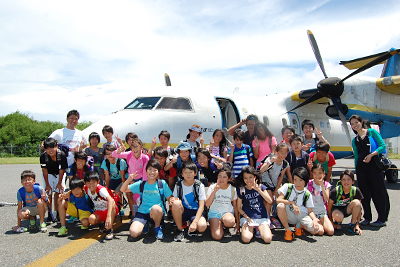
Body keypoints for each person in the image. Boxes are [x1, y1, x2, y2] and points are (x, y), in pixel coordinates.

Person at [350, 114, 390, 227]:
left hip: (374, 166)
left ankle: (382, 218)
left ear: (361, 122)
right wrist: (356, 170)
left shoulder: (372, 133)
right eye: (352, 124)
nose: (355, 125)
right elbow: (357, 157)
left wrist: (371, 155)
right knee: (364, 193)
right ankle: (367, 217)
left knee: (378, 191)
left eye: (356, 122)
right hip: (362, 168)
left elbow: (382, 146)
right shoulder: (355, 140)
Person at [121, 159, 173, 240]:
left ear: (158, 172)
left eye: (155, 170)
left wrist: (172, 201)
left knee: (155, 208)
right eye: (150, 169)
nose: (152, 172)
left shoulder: (162, 183)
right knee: (133, 233)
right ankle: (146, 224)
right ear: (146, 171)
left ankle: (157, 227)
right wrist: (129, 180)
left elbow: (169, 198)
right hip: (143, 212)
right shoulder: (141, 184)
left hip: (157, 213)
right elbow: (123, 189)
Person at [277, 167, 320, 241]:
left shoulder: (307, 193)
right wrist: (292, 203)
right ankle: (288, 229)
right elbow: (278, 200)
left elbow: (310, 211)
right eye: (295, 180)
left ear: (305, 181)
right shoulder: (288, 187)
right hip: (289, 214)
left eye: (300, 180)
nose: (298, 183)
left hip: (302, 214)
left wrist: (315, 220)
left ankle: (299, 225)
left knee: (315, 230)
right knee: (280, 206)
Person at [170, 162, 207, 242]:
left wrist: (195, 222)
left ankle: (191, 222)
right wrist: (171, 201)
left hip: (195, 211)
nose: (188, 174)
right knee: (176, 203)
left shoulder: (199, 185)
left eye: (190, 172)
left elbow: (201, 206)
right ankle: (180, 230)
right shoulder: (178, 185)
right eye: (185, 172)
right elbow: (174, 201)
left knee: (202, 227)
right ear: (182, 174)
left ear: (195, 173)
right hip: (183, 210)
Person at [112, 138, 149, 215]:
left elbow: (145, 173)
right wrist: (117, 151)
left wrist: (142, 184)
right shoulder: (129, 154)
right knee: (129, 195)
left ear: (141, 147)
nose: (135, 149)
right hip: (130, 179)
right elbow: (114, 155)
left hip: (141, 180)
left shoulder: (145, 158)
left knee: (138, 198)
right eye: (133, 147)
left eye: (137, 146)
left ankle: (141, 214)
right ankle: (134, 214)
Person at [236, 166, 273, 243]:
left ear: (255, 177)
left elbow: (270, 201)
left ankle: (257, 228)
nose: (248, 180)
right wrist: (247, 217)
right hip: (248, 217)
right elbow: (239, 207)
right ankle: (252, 229)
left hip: (261, 216)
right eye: (245, 178)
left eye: (250, 177)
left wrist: (259, 190)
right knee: (246, 239)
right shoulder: (241, 189)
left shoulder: (261, 186)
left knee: (267, 239)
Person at [258, 142, 291, 228]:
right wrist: (269, 162)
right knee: (270, 200)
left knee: (269, 202)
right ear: (276, 152)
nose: (283, 155)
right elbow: (261, 170)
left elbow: (281, 177)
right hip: (264, 182)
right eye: (281, 152)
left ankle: (266, 218)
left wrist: (276, 189)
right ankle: (267, 220)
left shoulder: (285, 164)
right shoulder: (270, 158)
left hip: (274, 185)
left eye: (285, 153)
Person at [206, 166, 238, 240]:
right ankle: (218, 225)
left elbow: (236, 207)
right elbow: (207, 204)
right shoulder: (212, 187)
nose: (221, 179)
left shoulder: (232, 189)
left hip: (227, 212)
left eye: (224, 177)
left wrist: (238, 223)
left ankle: (225, 226)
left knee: (229, 221)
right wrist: (214, 192)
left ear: (229, 179)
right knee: (217, 236)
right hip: (214, 212)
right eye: (220, 176)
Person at [327, 170, 364, 235]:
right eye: (343, 179)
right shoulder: (336, 191)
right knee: (339, 217)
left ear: (353, 181)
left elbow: (359, 209)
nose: (346, 182)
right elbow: (329, 207)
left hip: (347, 209)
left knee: (357, 203)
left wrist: (357, 224)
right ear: (341, 181)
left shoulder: (356, 190)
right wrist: (331, 222)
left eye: (348, 179)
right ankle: (337, 222)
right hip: (337, 210)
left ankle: (352, 225)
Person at [84, 171, 118, 240]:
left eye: (93, 182)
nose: (91, 185)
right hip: (99, 211)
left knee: (112, 204)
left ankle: (109, 230)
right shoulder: (86, 188)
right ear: (85, 183)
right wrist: (67, 193)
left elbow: (111, 200)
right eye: (88, 183)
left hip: (110, 210)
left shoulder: (101, 190)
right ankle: (102, 223)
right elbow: (76, 187)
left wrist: (108, 217)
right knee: (91, 219)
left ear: (98, 182)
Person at [40, 137, 68, 221]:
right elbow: (44, 171)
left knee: (58, 192)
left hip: (59, 174)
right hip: (48, 174)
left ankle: (57, 212)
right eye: (48, 149)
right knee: (49, 192)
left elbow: (62, 170)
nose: (50, 150)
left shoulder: (61, 155)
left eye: (52, 148)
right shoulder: (43, 156)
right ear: (45, 149)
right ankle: (50, 213)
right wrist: (47, 184)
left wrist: (59, 183)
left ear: (56, 146)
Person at [307, 164, 334, 236]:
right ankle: (310, 224)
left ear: (323, 174)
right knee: (320, 231)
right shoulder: (309, 183)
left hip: (322, 212)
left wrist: (322, 185)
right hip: (311, 212)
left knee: (331, 231)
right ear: (312, 173)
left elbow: (326, 199)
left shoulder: (326, 184)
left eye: (319, 173)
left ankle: (320, 223)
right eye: (315, 173)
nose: (317, 175)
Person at [101, 145, 128, 210]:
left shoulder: (121, 161)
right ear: (105, 155)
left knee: (118, 192)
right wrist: (107, 189)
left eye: (112, 153)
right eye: (107, 153)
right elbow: (107, 177)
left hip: (124, 178)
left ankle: (121, 208)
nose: (110, 155)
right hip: (114, 178)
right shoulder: (105, 162)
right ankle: (113, 208)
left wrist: (126, 188)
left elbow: (123, 177)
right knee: (110, 193)